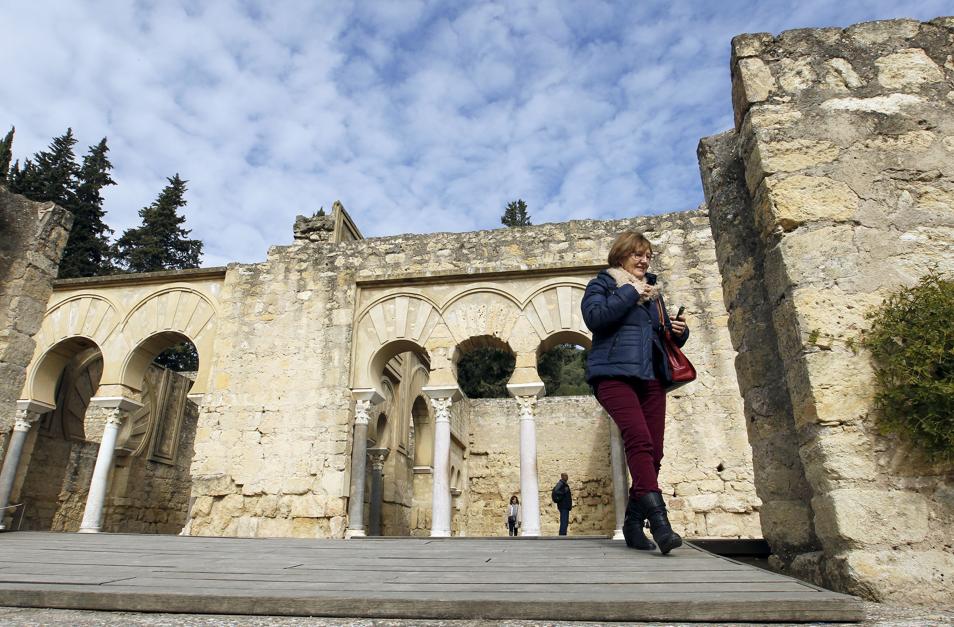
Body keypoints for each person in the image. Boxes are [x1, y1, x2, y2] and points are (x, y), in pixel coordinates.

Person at [581, 230, 689, 555]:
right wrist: (629, 292)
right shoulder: (604, 283)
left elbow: (655, 336)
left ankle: (631, 523)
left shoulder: (653, 294)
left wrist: (676, 331)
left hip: (651, 376)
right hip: (613, 375)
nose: (643, 261)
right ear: (621, 256)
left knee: (654, 451)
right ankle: (659, 522)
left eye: (647, 255)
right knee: (639, 441)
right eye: (637, 255)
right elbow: (595, 318)